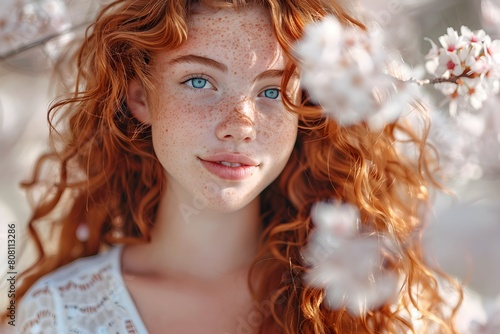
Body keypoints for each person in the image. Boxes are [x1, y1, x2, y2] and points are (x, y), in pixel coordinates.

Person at [4, 0, 461, 333]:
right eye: (199, 80)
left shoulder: (372, 300)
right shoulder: (60, 313)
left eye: (270, 91)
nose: (240, 126)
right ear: (140, 96)